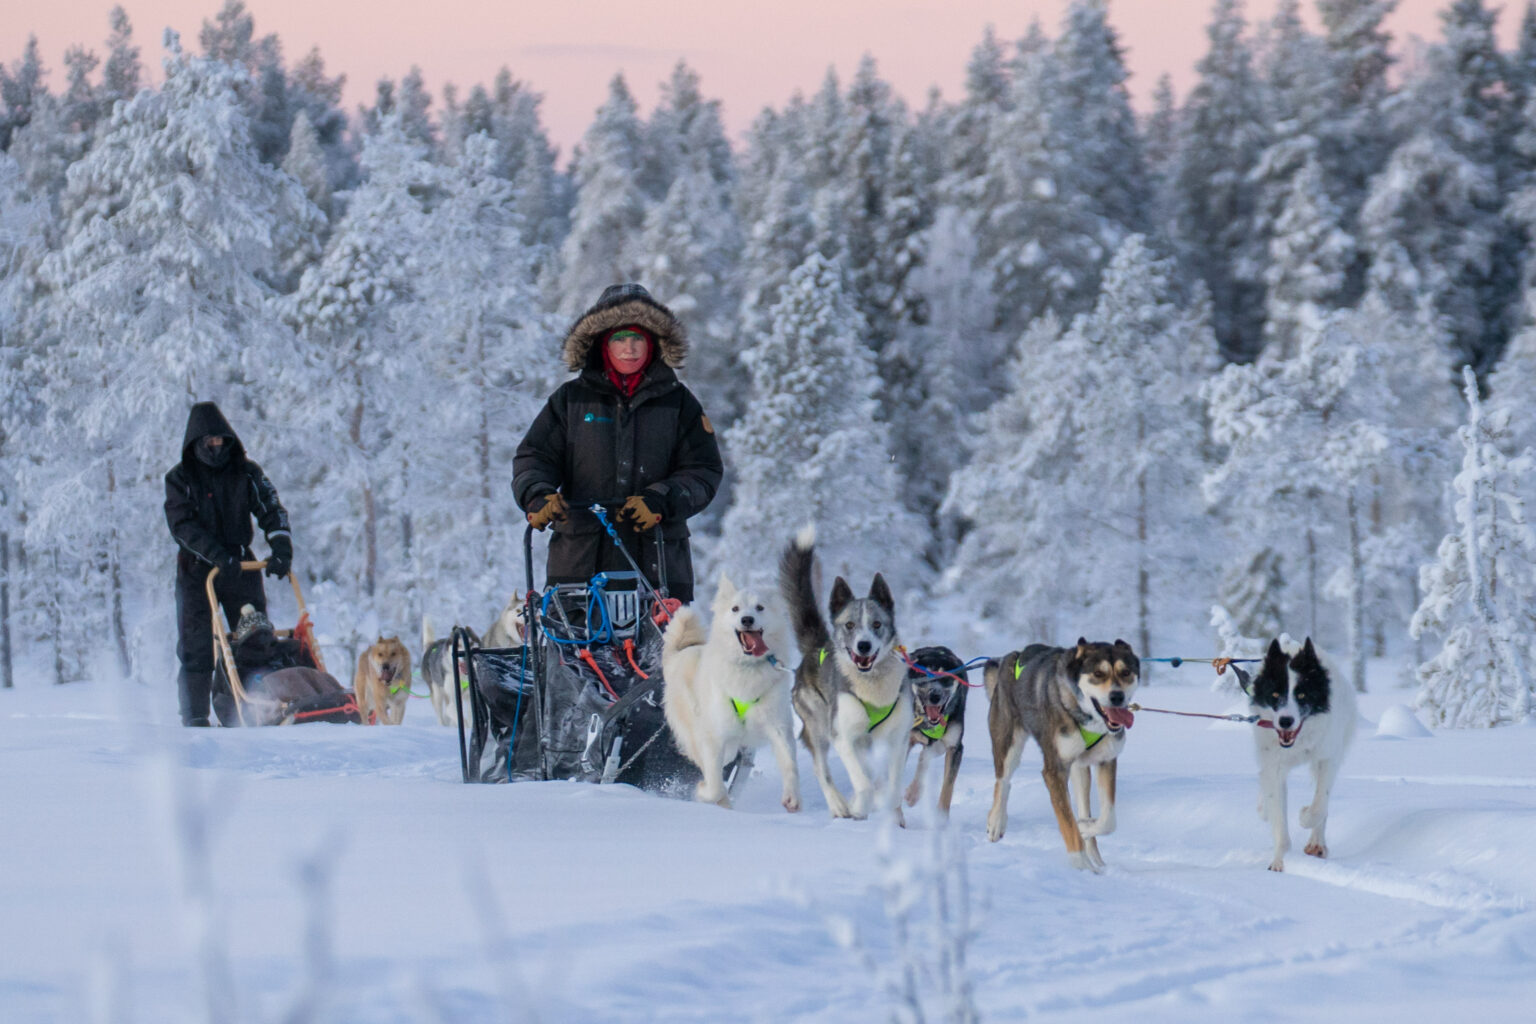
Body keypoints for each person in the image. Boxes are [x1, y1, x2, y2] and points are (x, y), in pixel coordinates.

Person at [513, 283, 723, 603]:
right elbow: (534, 457)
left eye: (638, 338)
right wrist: (537, 496)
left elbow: (704, 471)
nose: (630, 348)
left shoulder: (680, 404)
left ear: (652, 342)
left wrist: (660, 500)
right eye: (619, 339)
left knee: (664, 655)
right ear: (602, 345)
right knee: (573, 654)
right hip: (577, 569)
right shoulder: (570, 401)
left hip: (659, 571)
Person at [164, 402, 292, 726]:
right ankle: (194, 716)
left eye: (221, 441)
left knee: (255, 636)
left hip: (241, 566)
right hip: (197, 569)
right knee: (196, 644)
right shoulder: (180, 479)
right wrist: (217, 555)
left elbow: (270, 506)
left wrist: (280, 545)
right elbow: (182, 526)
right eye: (209, 442)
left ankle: (252, 706)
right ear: (195, 443)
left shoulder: (246, 472)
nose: (216, 447)